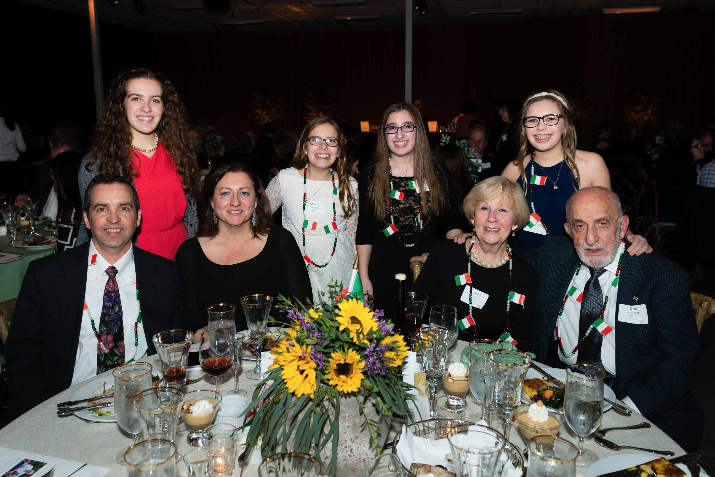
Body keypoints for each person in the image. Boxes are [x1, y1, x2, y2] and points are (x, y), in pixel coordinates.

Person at [525, 186, 703, 451]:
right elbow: (501, 260)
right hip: (563, 393)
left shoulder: (661, 277)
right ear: (568, 230)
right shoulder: (555, 257)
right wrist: (470, 236)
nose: (591, 238)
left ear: (622, 227)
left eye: (602, 224)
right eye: (580, 226)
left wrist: (622, 410)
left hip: (641, 405)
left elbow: (679, 364)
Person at [4, 174, 181, 421]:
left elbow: (175, 347)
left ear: (138, 217)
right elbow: (21, 354)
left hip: (146, 406)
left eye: (124, 208)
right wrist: (43, 414)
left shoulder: (164, 274)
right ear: (87, 219)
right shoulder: (47, 276)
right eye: (102, 209)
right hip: (66, 407)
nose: (113, 218)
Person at [175, 161, 312, 334]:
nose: (235, 202)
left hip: (279, 354)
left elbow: (304, 311)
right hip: (220, 356)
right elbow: (190, 327)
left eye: (244, 193)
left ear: (255, 201)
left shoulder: (281, 242)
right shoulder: (189, 254)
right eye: (225, 193)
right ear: (211, 201)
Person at [78, 68, 199, 260]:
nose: (147, 108)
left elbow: (193, 218)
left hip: (180, 255)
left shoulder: (182, 154)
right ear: (121, 105)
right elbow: (90, 226)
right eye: (136, 98)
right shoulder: (97, 163)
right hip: (127, 260)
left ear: (165, 107)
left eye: (155, 100)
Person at [356, 102, 465, 313]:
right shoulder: (370, 174)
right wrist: (364, 277)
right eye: (392, 127)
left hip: (428, 269)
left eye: (407, 126)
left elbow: (450, 224)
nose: (399, 134)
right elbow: (365, 230)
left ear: (418, 131)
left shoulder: (439, 174)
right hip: (383, 271)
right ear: (384, 133)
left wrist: (458, 236)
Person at [414, 177, 536, 348]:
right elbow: (414, 315)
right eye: (484, 208)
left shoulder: (524, 276)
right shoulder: (444, 255)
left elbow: (521, 343)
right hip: (437, 356)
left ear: (515, 222)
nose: (492, 218)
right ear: (472, 217)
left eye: (502, 210)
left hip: (490, 366)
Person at [502, 90, 612, 251]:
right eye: (532, 120)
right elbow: (493, 217)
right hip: (523, 265)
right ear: (524, 127)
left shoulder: (591, 165)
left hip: (573, 267)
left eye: (550, 119)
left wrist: (632, 237)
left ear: (565, 124)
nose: (540, 127)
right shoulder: (515, 169)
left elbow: (609, 220)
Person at [266, 117, 358, 303]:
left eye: (331, 141)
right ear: (304, 147)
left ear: (339, 151)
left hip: (339, 274)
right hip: (296, 273)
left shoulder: (350, 185)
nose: (323, 147)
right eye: (315, 140)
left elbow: (351, 234)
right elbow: (258, 218)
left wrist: (358, 278)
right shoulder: (285, 180)